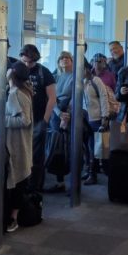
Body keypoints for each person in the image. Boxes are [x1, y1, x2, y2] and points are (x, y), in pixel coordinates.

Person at [19, 44, 56, 193]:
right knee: (20, 154)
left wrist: (45, 121)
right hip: (21, 119)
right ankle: (22, 186)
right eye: (25, 62)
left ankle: (34, 188)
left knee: (36, 157)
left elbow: (52, 98)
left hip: (38, 119)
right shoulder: (16, 69)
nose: (28, 65)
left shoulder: (44, 72)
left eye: (30, 62)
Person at [4, 62, 33, 233]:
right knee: (18, 178)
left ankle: (13, 217)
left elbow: (24, 120)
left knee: (18, 179)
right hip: (17, 142)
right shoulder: (20, 90)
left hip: (17, 142)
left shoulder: (17, 93)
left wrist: (2, 120)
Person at [45, 51, 74, 193]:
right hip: (56, 115)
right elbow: (51, 98)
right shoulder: (54, 76)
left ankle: (73, 184)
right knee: (57, 148)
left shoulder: (75, 76)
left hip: (70, 114)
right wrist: (58, 113)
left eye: (67, 57)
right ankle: (60, 182)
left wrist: (67, 115)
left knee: (70, 148)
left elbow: (76, 97)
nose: (64, 60)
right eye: (61, 58)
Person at [83, 62, 112, 185]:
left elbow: (104, 97)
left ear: (88, 68)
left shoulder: (96, 80)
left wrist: (105, 117)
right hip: (84, 118)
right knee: (89, 148)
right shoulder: (80, 81)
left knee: (98, 148)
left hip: (96, 118)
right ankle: (90, 171)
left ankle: (95, 173)